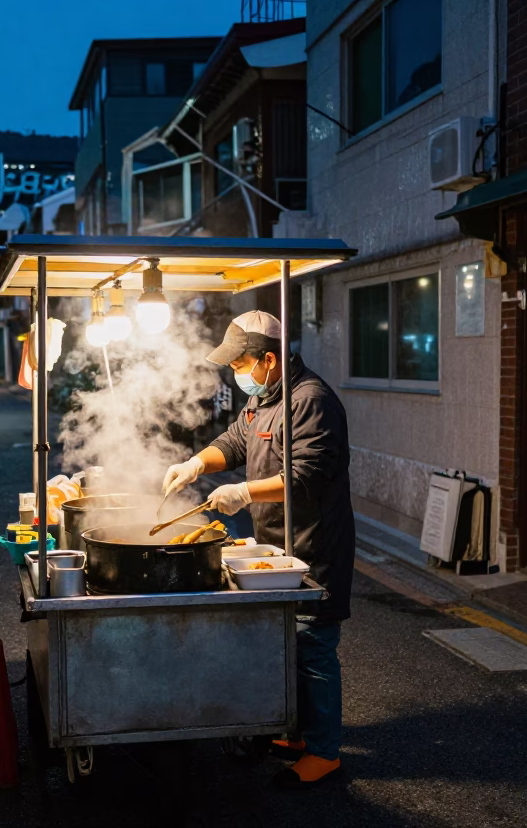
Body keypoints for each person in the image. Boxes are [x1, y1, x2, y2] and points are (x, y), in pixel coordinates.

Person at [163, 310, 355, 789]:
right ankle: (294, 733)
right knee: (282, 644)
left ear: (269, 359)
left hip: (315, 548)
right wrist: (194, 463)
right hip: (276, 547)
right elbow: (233, 442)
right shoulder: (263, 399)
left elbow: (307, 475)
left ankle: (325, 752)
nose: (235, 373)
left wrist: (245, 493)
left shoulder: (311, 401)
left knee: (313, 648)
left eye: (240, 363)